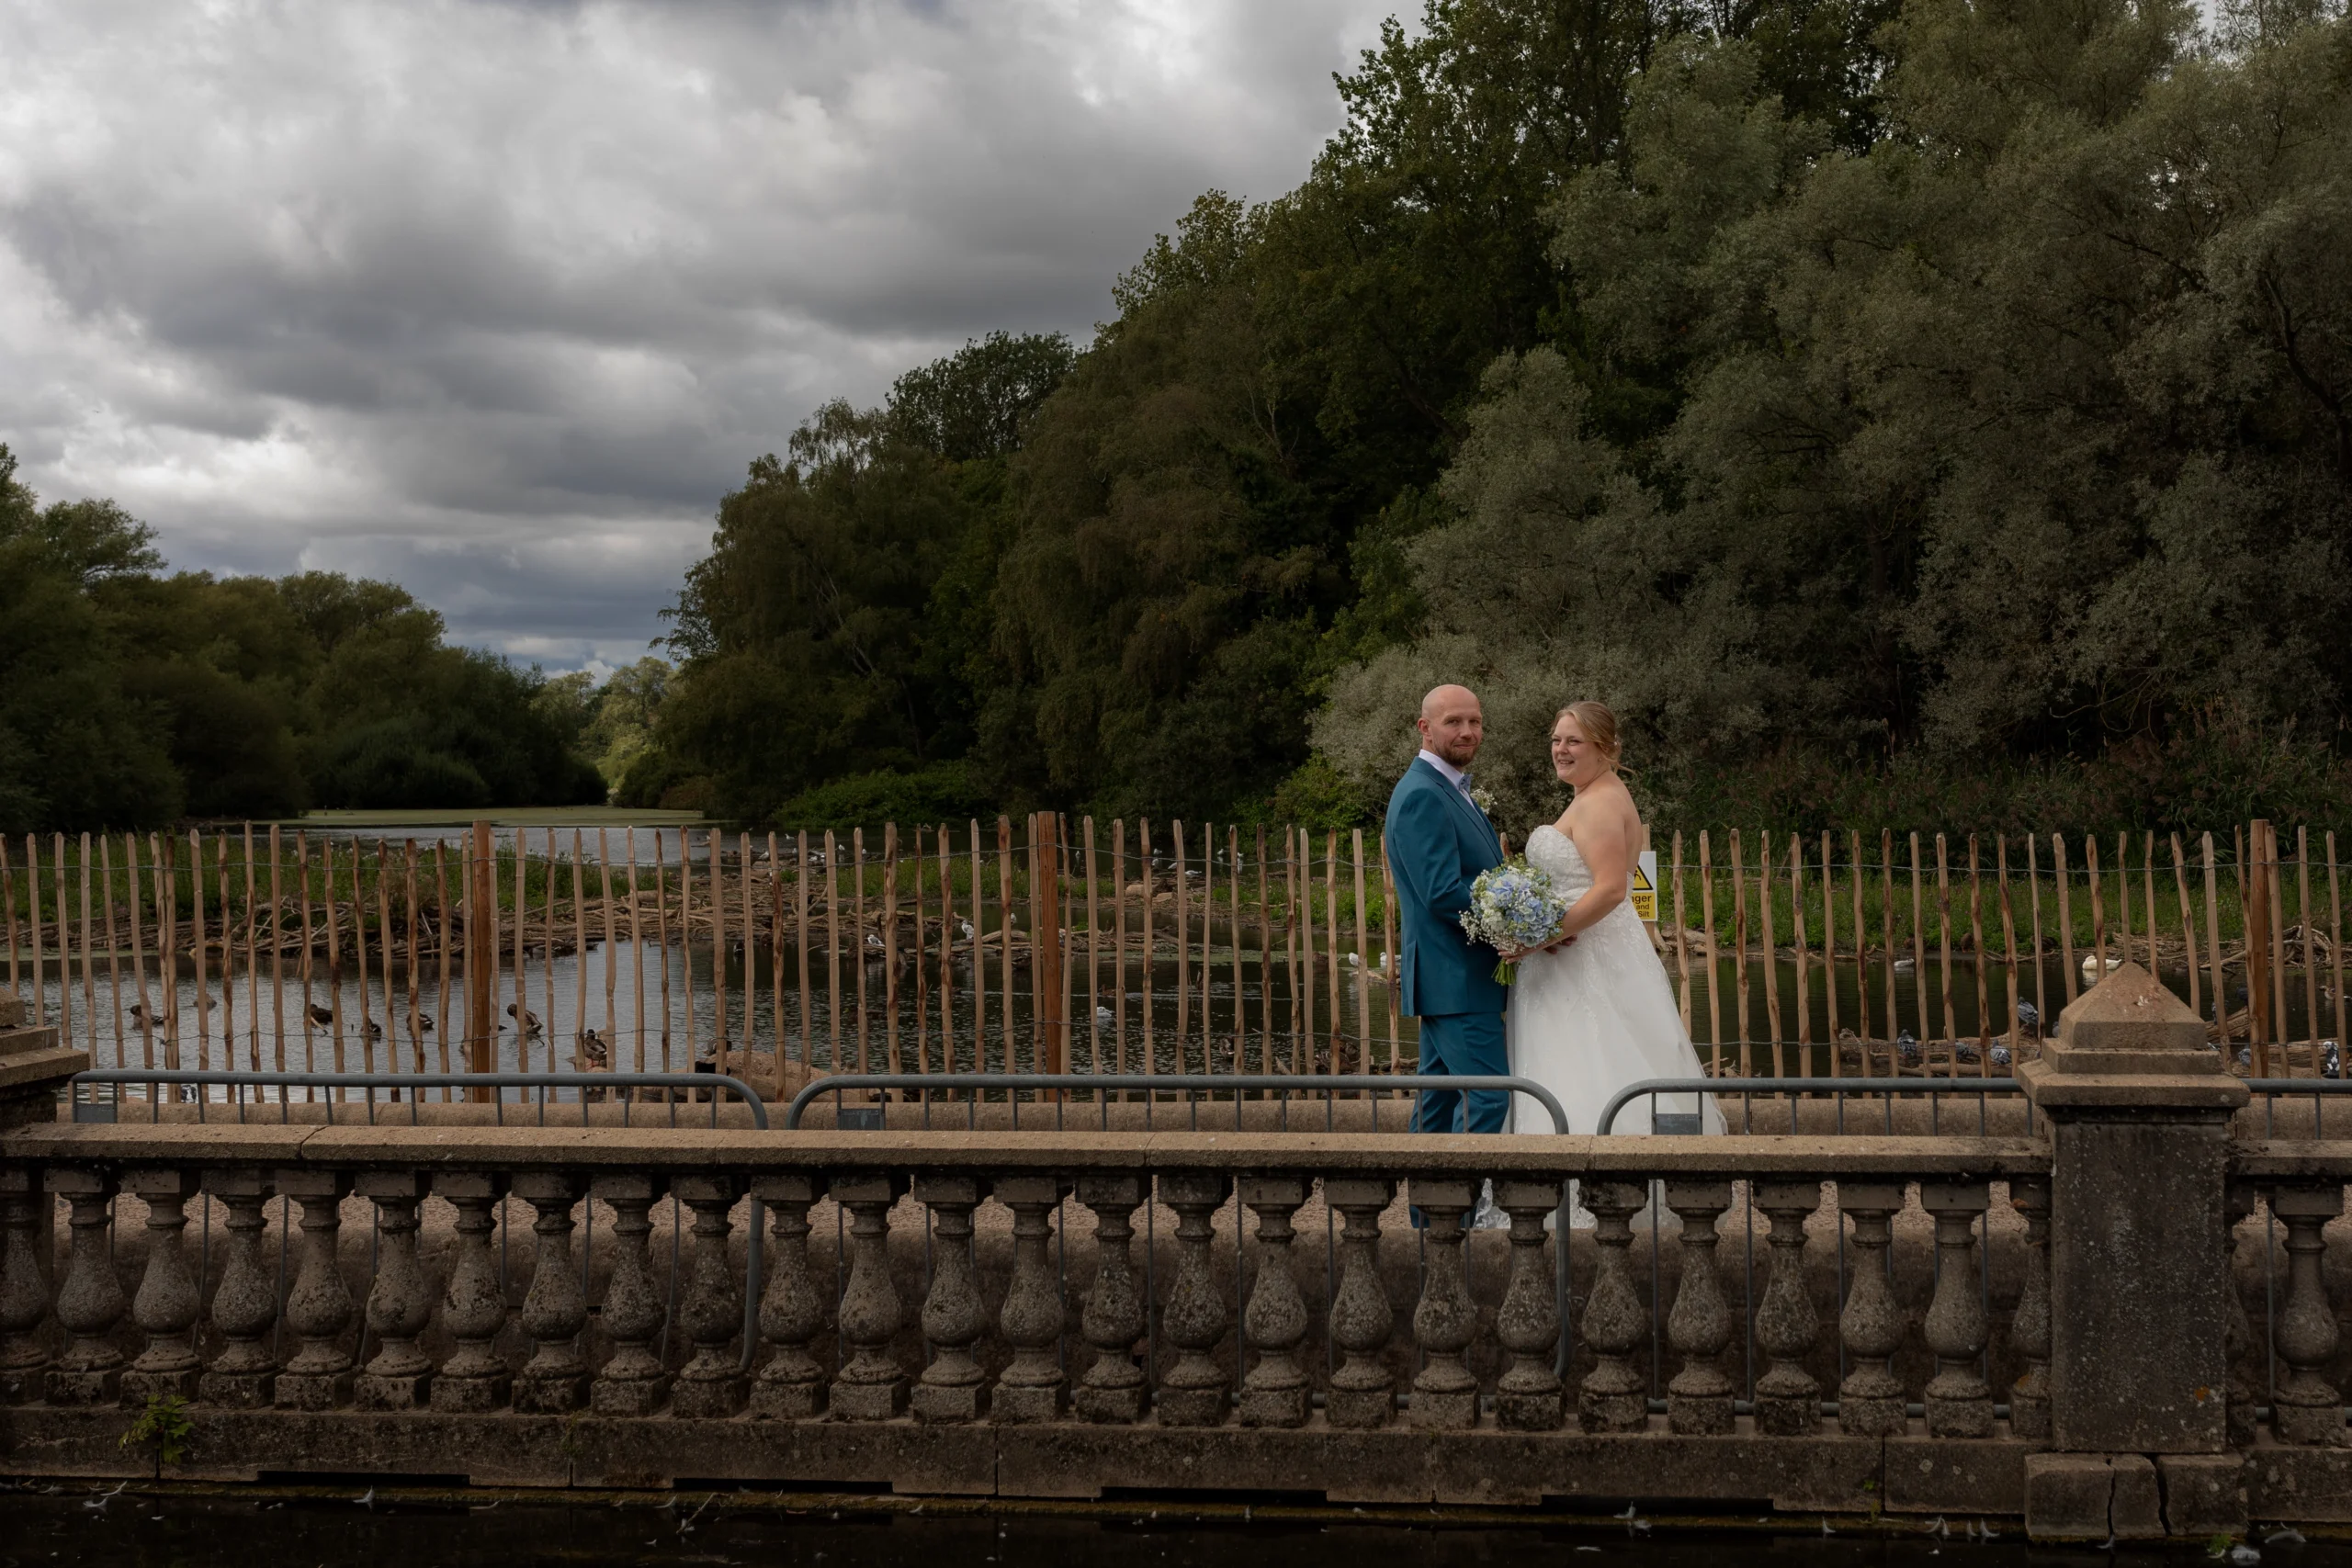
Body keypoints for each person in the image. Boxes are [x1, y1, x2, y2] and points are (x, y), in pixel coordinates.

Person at [1499, 701, 1723, 1153]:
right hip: (1581, 949)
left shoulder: (1600, 803)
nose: (1561, 750)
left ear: (1605, 748)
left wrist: (1539, 938)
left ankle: (1582, 1165)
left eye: (1574, 741)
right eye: (1556, 740)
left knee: (1586, 1057)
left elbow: (1610, 890)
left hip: (1583, 956)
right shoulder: (1594, 793)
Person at [1385, 683, 1510, 1138]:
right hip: (1456, 978)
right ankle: (1464, 1189)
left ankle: (1424, 1188)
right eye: (1453, 721)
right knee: (1489, 1097)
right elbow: (1441, 893)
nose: (1467, 731)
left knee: (1438, 1102)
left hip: (1452, 979)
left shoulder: (1447, 787)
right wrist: (1516, 921)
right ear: (1425, 727)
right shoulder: (1423, 794)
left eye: (1474, 721)